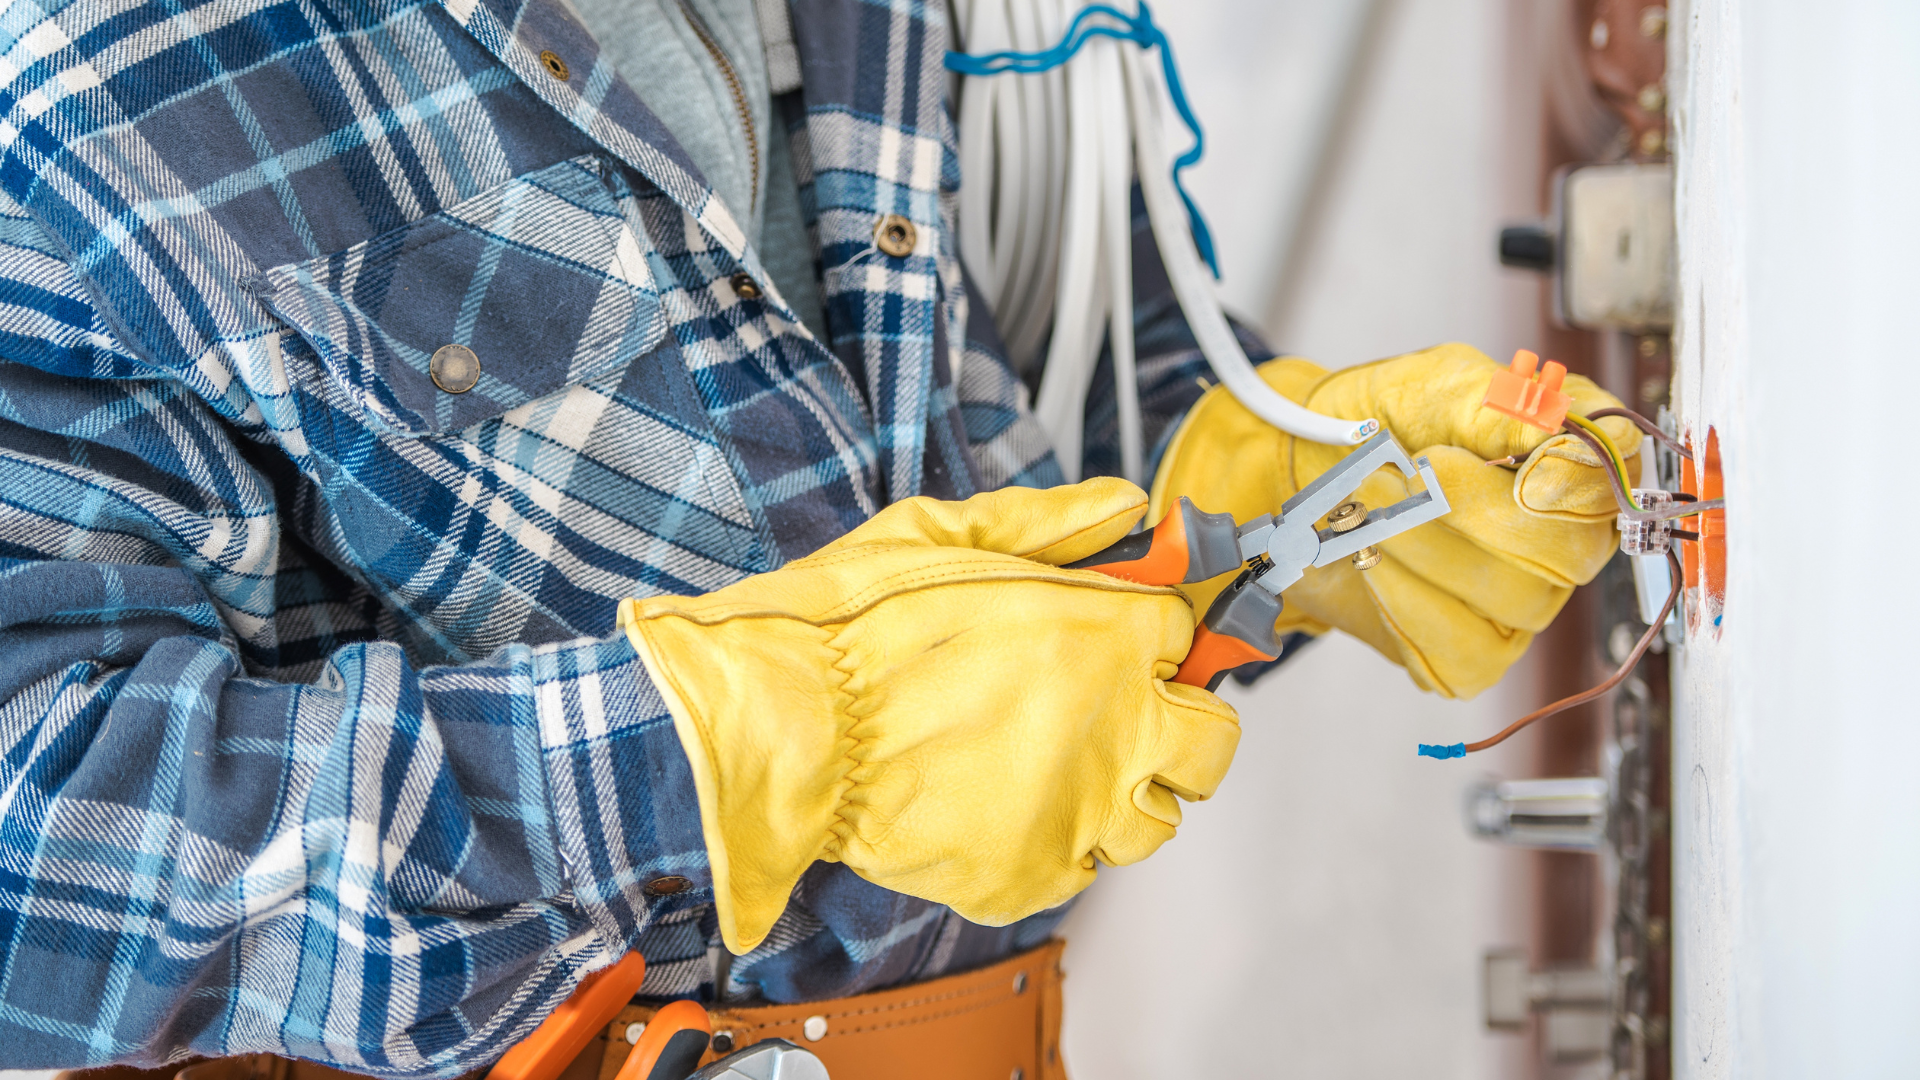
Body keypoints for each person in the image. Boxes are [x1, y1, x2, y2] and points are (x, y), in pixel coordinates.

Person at [0, 0, 1639, 1072]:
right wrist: (746, 748)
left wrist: (1268, 488)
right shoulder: (79, 71)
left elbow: (1015, 362)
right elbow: (35, 849)